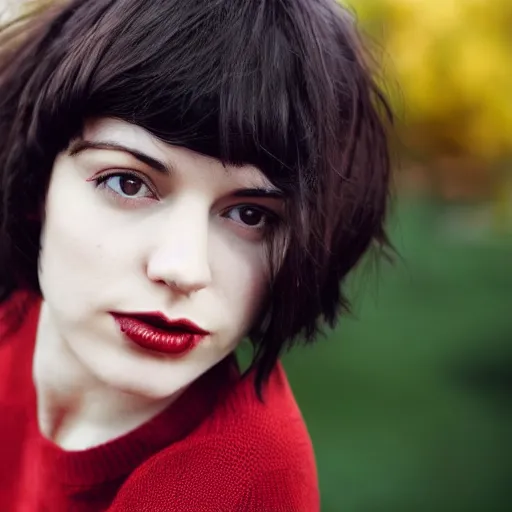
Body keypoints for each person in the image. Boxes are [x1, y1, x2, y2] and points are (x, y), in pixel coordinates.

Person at [0, 0, 392, 510]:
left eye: (251, 215)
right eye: (127, 182)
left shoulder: (233, 482)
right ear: (34, 184)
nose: (183, 268)